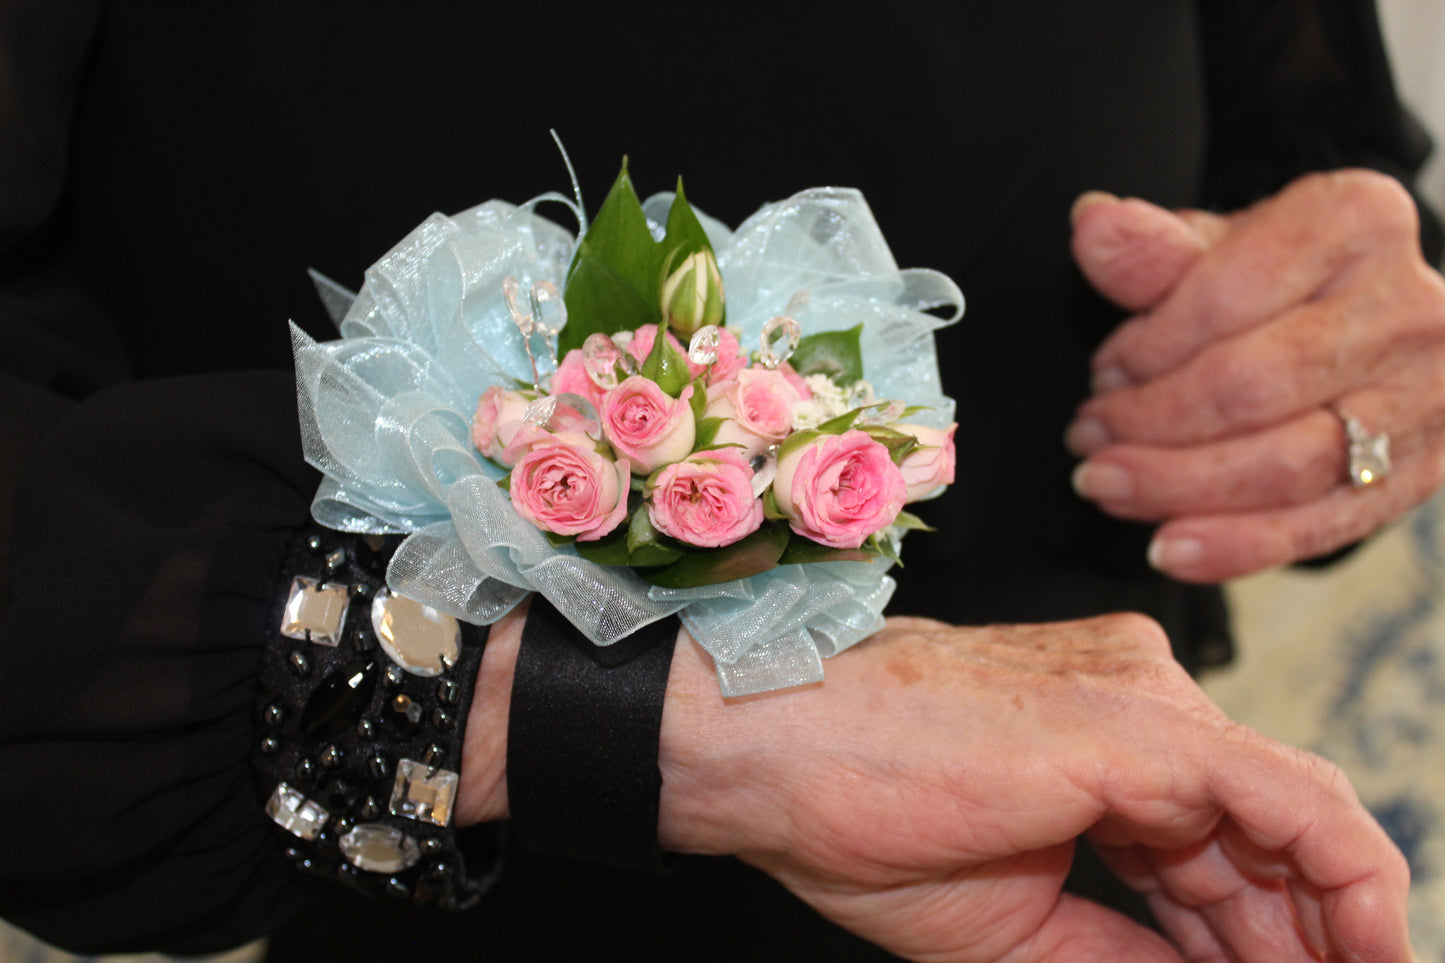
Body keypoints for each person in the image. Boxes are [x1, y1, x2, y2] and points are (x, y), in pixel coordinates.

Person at [0, 0, 1439, 960]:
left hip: (1091, 827)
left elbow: (1304, 142)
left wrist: (1332, 362)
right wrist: (614, 716)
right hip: (434, 896)